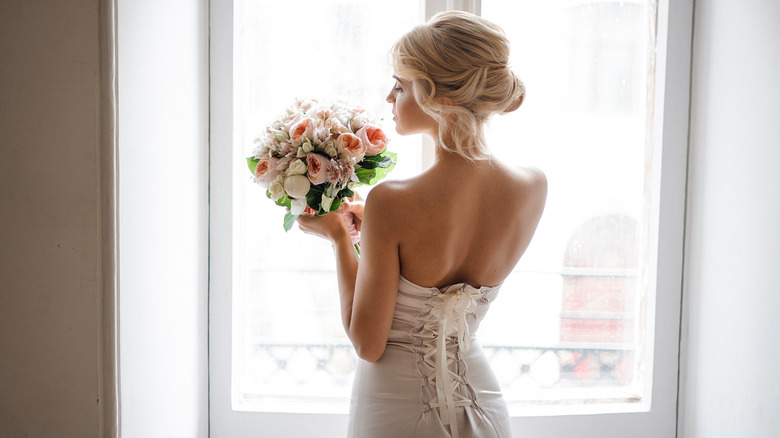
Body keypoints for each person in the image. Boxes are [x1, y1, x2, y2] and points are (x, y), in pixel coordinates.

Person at [296, 10, 547, 438]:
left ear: (441, 98)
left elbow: (368, 344)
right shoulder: (532, 186)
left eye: (400, 85)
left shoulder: (393, 202)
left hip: (396, 407)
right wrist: (373, 230)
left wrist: (339, 238)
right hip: (484, 405)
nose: (389, 98)